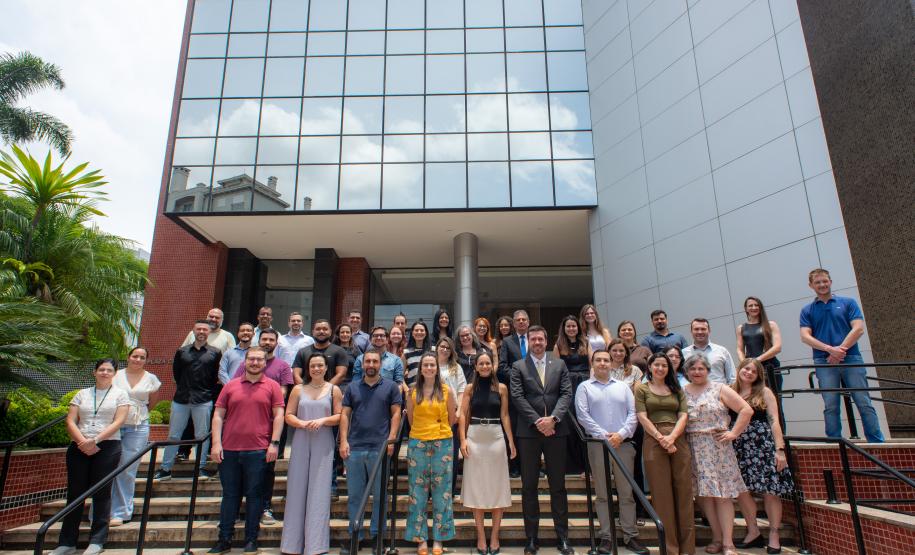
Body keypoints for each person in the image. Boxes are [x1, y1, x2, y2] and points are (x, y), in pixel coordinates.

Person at [208, 347, 285, 555]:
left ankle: (251, 539)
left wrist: (274, 443)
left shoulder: (273, 386)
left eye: (259, 359)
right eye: (251, 359)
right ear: (245, 361)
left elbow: (279, 415)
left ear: (264, 362)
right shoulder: (231, 386)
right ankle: (224, 539)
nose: (255, 363)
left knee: (255, 496)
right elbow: (218, 415)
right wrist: (216, 443)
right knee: (230, 496)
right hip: (230, 450)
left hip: (259, 450)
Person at [51, 359, 130, 555]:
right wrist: (82, 442)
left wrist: (95, 441)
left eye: (109, 370)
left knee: (102, 493)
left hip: (108, 445)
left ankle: (97, 540)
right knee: (75, 494)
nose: (105, 373)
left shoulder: (120, 395)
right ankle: (67, 542)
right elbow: (70, 420)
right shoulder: (82, 394)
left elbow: (119, 421)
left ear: (114, 373)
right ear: (94, 372)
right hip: (79, 446)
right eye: (101, 369)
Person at [576, 349, 648, 555]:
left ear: (611, 363)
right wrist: (605, 436)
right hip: (598, 446)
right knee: (602, 494)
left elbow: (633, 413)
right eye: (598, 360)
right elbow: (582, 415)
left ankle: (630, 535)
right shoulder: (584, 388)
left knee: (626, 493)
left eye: (606, 360)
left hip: (623, 445)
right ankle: (606, 537)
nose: (602, 363)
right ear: (592, 363)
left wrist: (621, 434)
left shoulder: (623, 388)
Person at [510, 325, 574, 555]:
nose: (537, 342)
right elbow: (517, 396)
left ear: (546, 341)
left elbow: (566, 393)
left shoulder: (559, 364)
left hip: (557, 432)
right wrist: (539, 421)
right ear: (528, 341)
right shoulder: (518, 366)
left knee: (558, 486)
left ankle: (563, 537)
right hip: (529, 433)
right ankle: (531, 538)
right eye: (533, 339)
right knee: (529, 487)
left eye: (540, 338)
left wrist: (553, 419)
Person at [800, 268, 884, 442]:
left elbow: (859, 329)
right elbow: (805, 336)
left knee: (863, 401)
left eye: (825, 281)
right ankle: (835, 443)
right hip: (824, 361)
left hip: (851, 358)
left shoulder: (848, 303)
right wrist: (830, 350)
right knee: (830, 405)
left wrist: (840, 350)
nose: (822, 285)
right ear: (811, 286)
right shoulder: (807, 310)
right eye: (817, 282)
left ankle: (876, 442)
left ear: (830, 281)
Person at [684, 354, 753, 555]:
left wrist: (733, 432)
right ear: (687, 372)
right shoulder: (682, 392)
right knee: (705, 497)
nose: (697, 372)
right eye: (693, 369)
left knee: (723, 495)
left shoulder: (720, 388)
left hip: (718, 446)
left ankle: (728, 543)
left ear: (707, 370)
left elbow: (745, 410)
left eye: (701, 368)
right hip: (694, 447)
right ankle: (716, 537)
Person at [339, 348, 403, 554]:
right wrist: (343, 441)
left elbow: (395, 415)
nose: (371, 365)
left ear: (380, 364)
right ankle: (355, 535)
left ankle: (377, 537)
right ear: (362, 363)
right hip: (355, 448)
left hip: (380, 448)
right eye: (368, 361)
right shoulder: (352, 387)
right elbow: (345, 415)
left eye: (375, 361)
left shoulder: (391, 387)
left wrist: (391, 440)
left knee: (380, 496)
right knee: (355, 496)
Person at [280, 353, 343, 555]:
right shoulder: (298, 389)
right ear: (308, 369)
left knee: (319, 490)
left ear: (326, 368)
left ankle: (316, 545)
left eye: (320, 365)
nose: (316, 369)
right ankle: (292, 544)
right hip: (301, 438)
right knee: (297, 488)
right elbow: (288, 414)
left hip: (323, 440)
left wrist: (323, 421)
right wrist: (301, 423)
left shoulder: (334, 389)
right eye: (313, 366)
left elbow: (340, 415)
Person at [731, 359, 794, 554]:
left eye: (754, 371)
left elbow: (774, 421)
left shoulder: (764, 392)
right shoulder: (730, 391)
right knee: (742, 490)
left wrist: (780, 449)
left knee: (770, 491)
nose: (749, 373)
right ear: (739, 370)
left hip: (762, 445)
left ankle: (774, 534)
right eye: (746, 369)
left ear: (759, 375)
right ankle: (753, 531)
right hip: (738, 446)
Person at [233, 329, 294, 525]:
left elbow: (283, 392)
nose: (267, 342)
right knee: (241, 469)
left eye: (271, 339)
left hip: (270, 425)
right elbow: (235, 388)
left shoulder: (283, 366)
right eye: (264, 339)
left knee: (267, 469)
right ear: (258, 340)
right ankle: (237, 508)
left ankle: (265, 507)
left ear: (277, 343)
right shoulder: (246, 365)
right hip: (244, 426)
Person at [635, 353, 693, 555]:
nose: (660, 368)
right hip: (653, 439)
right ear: (649, 367)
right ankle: (670, 549)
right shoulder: (642, 389)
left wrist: (672, 437)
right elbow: (642, 417)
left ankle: (687, 548)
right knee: (662, 496)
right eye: (656, 365)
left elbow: (684, 415)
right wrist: (661, 438)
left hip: (678, 439)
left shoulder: (677, 390)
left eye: (664, 365)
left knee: (684, 493)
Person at [459, 351, 516, 555]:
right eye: (480, 363)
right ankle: (481, 536)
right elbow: (463, 416)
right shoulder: (468, 389)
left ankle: (495, 536)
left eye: (487, 363)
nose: (484, 366)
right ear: (475, 367)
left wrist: (511, 441)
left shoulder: (501, 388)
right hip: (475, 436)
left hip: (495, 437)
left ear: (492, 366)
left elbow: (505, 415)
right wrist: (463, 440)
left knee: (497, 487)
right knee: (477, 487)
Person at [155, 320, 221, 481]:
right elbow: (177, 374)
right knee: (174, 435)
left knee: (202, 435)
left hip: (203, 399)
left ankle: (200, 468)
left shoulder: (215, 352)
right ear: (193, 330)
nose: (201, 331)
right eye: (198, 328)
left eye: (205, 329)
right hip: (181, 399)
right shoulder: (181, 351)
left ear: (209, 332)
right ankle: (165, 469)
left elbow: (214, 377)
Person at [405, 352, 458, 555]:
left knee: (441, 493)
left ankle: (439, 538)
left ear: (437, 368)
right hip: (418, 443)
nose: (429, 368)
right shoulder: (413, 391)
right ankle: (420, 539)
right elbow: (411, 419)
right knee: (417, 493)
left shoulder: (446, 391)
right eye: (425, 365)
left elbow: (452, 419)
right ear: (420, 369)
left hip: (442, 443)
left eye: (432, 365)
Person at [110, 348, 161, 526]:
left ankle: (120, 512)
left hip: (137, 426)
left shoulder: (151, 378)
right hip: (113, 425)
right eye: (135, 356)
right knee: (108, 466)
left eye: (142, 357)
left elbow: (153, 400)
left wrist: (141, 412)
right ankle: (103, 510)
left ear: (146, 360)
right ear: (128, 357)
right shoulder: (115, 375)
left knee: (127, 468)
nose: (138, 359)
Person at [552, 315, 591, 475]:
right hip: (567, 385)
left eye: (574, 326)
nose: (571, 329)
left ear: (578, 327)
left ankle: (588, 466)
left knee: (585, 422)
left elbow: (591, 364)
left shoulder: (585, 342)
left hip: (584, 383)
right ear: (564, 328)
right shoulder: (558, 345)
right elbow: (555, 370)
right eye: (568, 326)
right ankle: (572, 466)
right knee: (570, 424)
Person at [498, 309, 530, 478]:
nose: (521, 322)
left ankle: (533, 466)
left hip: (535, 393)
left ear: (528, 322)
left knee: (533, 429)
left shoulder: (535, 338)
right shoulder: (507, 342)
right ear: (514, 323)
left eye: (524, 319)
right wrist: (520, 377)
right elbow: (503, 366)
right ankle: (514, 465)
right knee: (514, 429)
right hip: (515, 391)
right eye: (518, 320)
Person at [437, 337, 467, 494]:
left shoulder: (456, 367)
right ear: (437, 348)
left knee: (451, 453)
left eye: (448, 348)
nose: (444, 350)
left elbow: (462, 390)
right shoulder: (430, 365)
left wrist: (458, 411)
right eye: (442, 347)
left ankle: (450, 489)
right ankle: (434, 491)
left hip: (452, 413)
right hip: (433, 414)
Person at [736, 297, 782, 391]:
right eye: (750, 305)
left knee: (774, 397)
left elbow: (777, 347)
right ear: (746, 309)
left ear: (760, 307)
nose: (754, 307)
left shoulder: (771, 325)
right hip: (751, 369)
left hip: (769, 366)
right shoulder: (741, 328)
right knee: (753, 398)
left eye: (756, 305)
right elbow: (740, 349)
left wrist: (757, 360)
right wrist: (745, 363)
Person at [292, 320, 348, 386]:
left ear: (330, 332)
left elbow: (341, 375)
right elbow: (296, 375)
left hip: (330, 393)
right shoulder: (302, 352)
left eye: (325, 329)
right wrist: (306, 389)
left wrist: (324, 390)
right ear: (313, 332)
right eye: (318, 329)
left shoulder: (339, 351)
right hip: (306, 393)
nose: (321, 331)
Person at [683, 318, 736, 384]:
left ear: (709, 331)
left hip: (720, 393)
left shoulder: (722, 351)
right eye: (696, 329)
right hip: (694, 393)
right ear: (691, 331)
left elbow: (732, 378)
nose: (700, 332)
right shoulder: (683, 354)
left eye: (703, 329)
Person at [403, 321, 432, 387]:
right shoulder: (406, 352)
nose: (419, 332)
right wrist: (406, 390)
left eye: (422, 330)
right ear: (412, 333)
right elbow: (400, 376)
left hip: (431, 390)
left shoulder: (433, 350)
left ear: (426, 333)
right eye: (416, 330)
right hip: (413, 391)